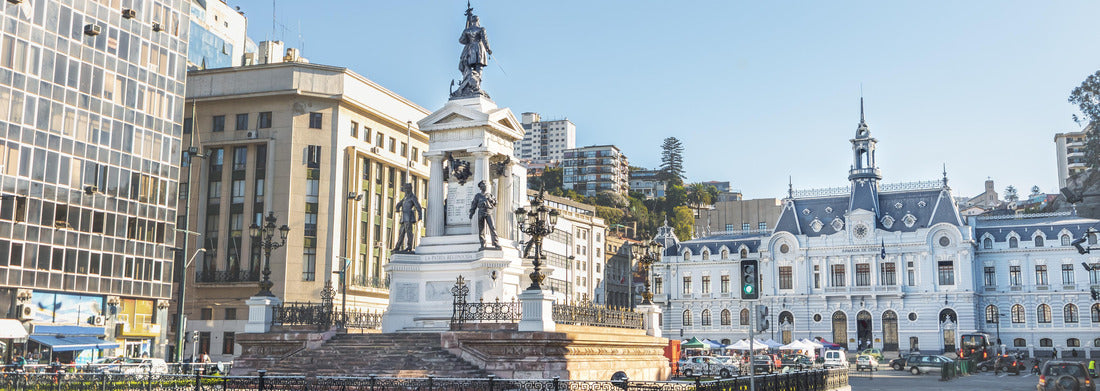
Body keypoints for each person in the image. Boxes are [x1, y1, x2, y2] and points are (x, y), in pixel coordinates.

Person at [453, 5, 492, 98]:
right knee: (479, 68)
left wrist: (468, 36)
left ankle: (469, 85)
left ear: (472, 21)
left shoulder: (467, 30)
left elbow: (461, 40)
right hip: (479, 49)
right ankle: (476, 86)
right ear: (478, 21)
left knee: (469, 68)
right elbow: (484, 40)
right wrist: (488, 49)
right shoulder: (481, 29)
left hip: (469, 49)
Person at [468, 180, 499, 248]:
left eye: (485, 185)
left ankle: (496, 243)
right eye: (483, 185)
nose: (484, 186)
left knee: (492, 227)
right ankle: (483, 243)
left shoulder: (490, 195)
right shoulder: (478, 196)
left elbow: (496, 203)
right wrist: (471, 213)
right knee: (481, 229)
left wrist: (491, 200)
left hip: (488, 212)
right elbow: (474, 205)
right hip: (481, 212)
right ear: (480, 187)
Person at [393, 183, 423, 253]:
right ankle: (397, 247)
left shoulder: (412, 197)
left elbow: (418, 206)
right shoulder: (405, 197)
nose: (406, 190)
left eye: (407, 189)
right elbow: (400, 203)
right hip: (404, 218)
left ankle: (409, 246)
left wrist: (420, 215)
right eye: (405, 189)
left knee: (409, 233)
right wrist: (397, 207)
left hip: (409, 217)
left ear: (410, 189)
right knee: (401, 233)